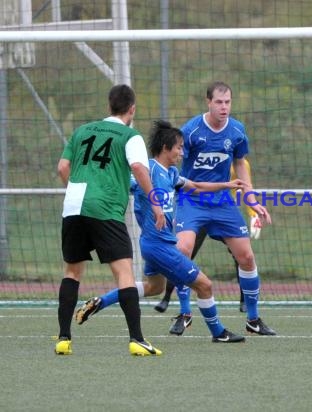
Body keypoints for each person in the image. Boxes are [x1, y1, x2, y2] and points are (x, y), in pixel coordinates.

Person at [74, 120, 246, 343]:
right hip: (158, 245)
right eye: (179, 147)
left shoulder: (171, 173)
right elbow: (122, 182)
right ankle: (218, 332)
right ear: (166, 148)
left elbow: (195, 186)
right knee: (205, 285)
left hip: (157, 243)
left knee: (155, 287)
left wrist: (227, 184)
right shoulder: (148, 171)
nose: (182, 152)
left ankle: (100, 302)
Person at [55, 84, 165, 356]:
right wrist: (155, 203)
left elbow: (62, 167)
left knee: (72, 272)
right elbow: (139, 167)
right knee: (124, 272)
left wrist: (79, 190)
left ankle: (63, 338)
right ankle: (137, 340)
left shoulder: (82, 131)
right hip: (104, 208)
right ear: (132, 109)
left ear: (109, 106)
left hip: (73, 206)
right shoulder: (130, 135)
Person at [175, 81, 276, 336]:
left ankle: (253, 319)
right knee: (182, 251)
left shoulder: (237, 131)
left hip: (222, 202)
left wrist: (251, 199)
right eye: (219, 102)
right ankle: (185, 313)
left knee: (247, 257)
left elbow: (240, 164)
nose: (224, 107)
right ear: (208, 102)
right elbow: (174, 159)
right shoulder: (191, 131)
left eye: (228, 102)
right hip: (191, 200)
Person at [155, 159, 261, 336]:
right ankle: (180, 308)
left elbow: (245, 187)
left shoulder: (240, 163)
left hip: (222, 212)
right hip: (195, 210)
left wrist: (253, 213)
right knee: (183, 255)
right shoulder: (195, 152)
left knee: (243, 257)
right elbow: (186, 182)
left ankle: (247, 307)